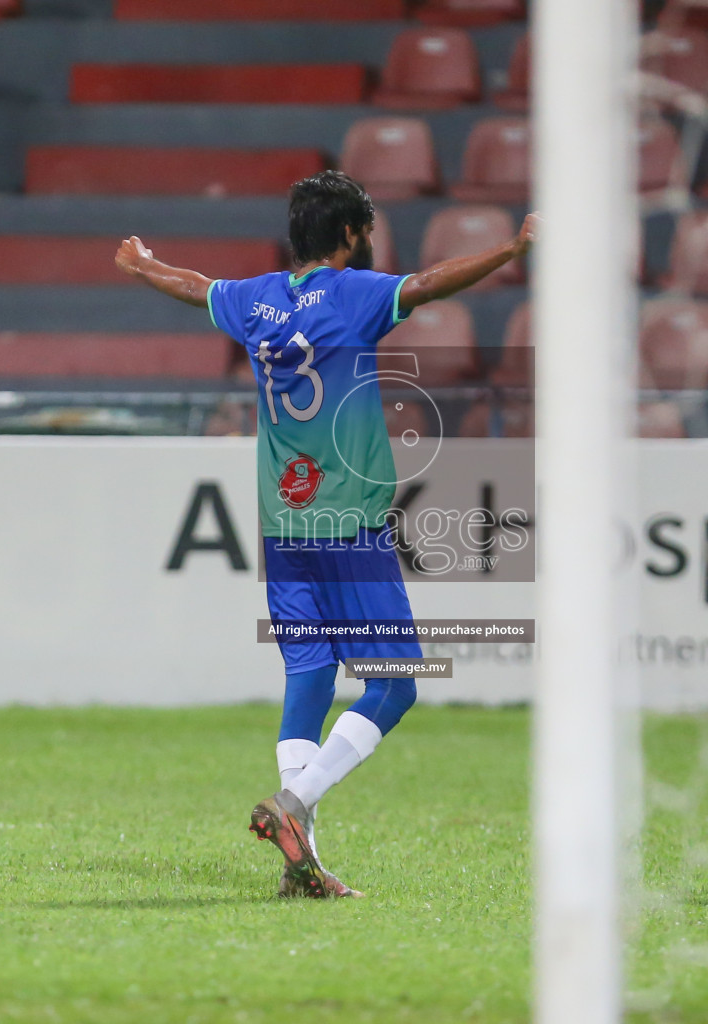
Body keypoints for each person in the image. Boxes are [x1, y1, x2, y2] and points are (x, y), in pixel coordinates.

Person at [116, 170, 537, 898]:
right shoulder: (352, 293)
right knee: (397, 682)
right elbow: (432, 283)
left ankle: (298, 862)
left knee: (309, 674)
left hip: (283, 525)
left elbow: (195, 286)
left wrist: (144, 265)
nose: (371, 242)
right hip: (349, 520)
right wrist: (511, 248)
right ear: (346, 235)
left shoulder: (256, 301)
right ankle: (295, 802)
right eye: (365, 230)